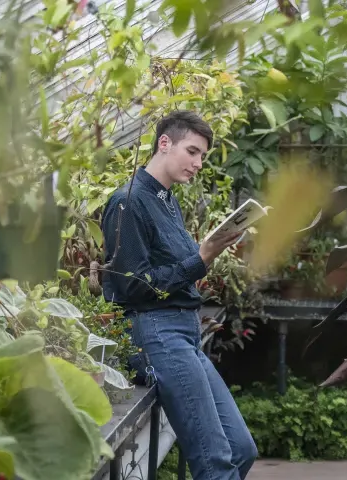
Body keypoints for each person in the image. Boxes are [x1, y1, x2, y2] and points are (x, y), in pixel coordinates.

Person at [101, 110, 257, 479]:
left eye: (202, 155)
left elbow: (173, 270)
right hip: (157, 333)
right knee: (215, 461)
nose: (198, 163)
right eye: (193, 151)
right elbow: (132, 285)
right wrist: (202, 257)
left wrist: (208, 252)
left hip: (185, 334)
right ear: (164, 143)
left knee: (240, 449)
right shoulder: (128, 202)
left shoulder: (167, 200)